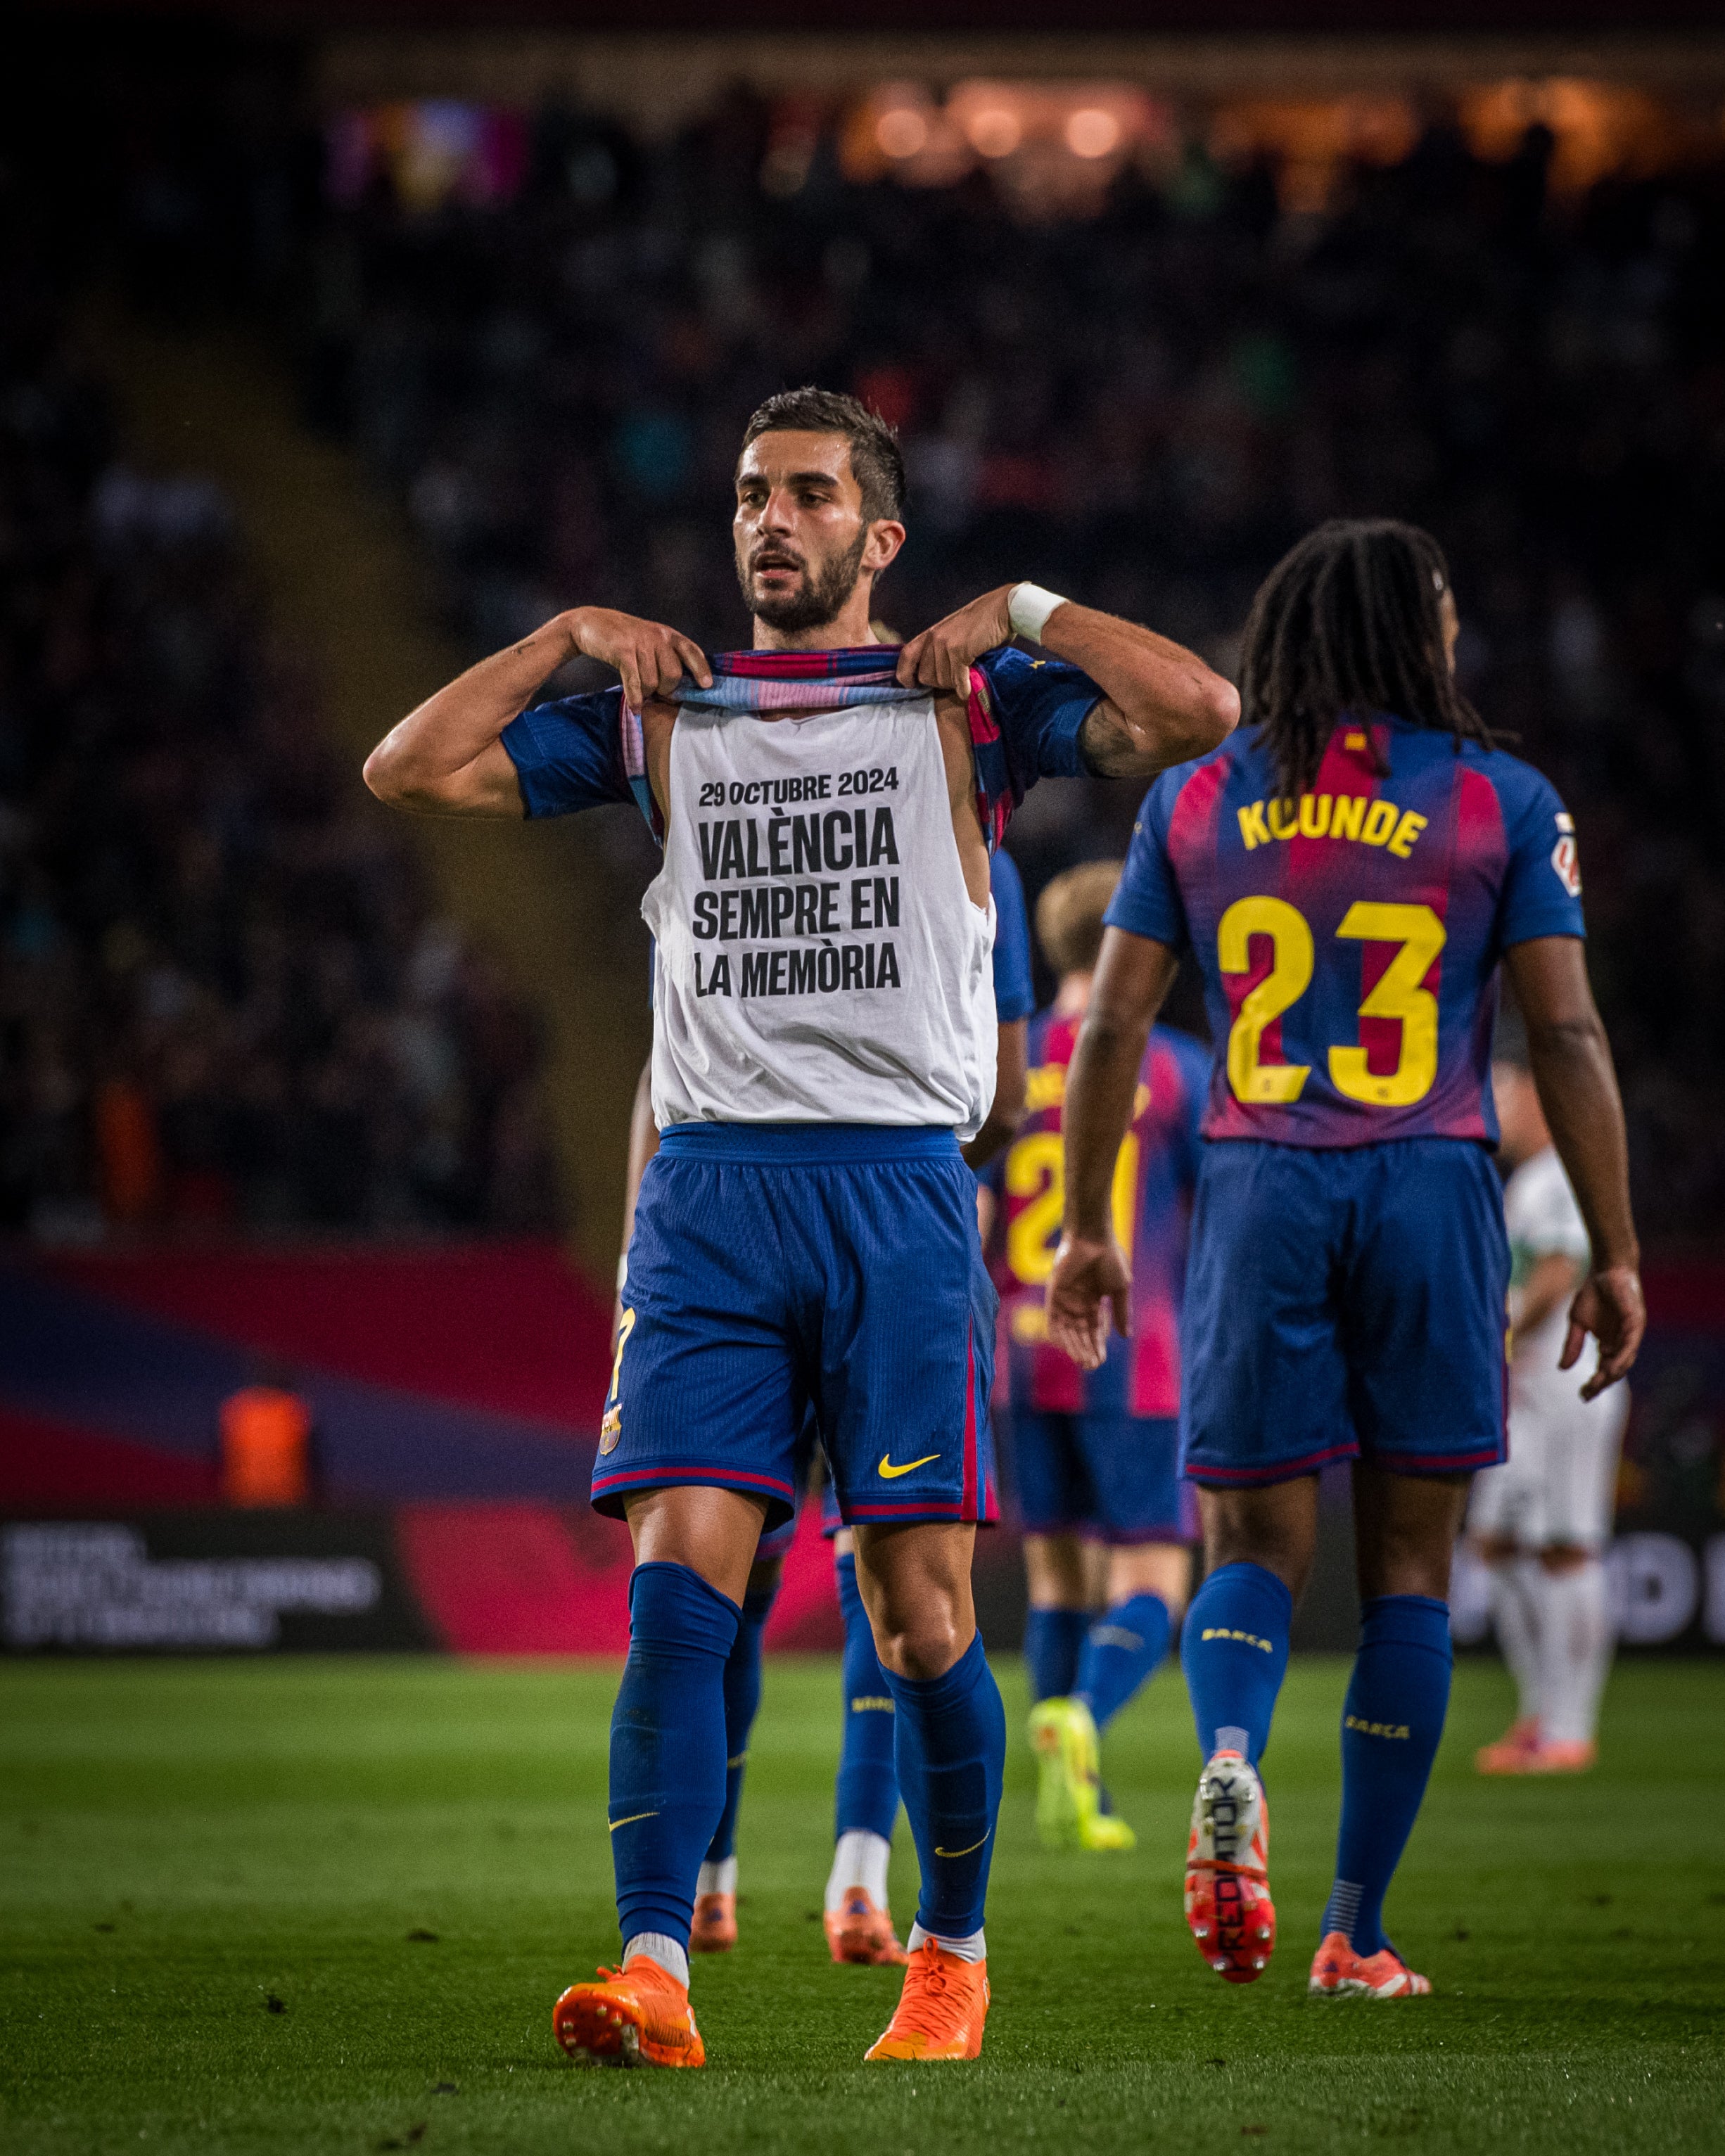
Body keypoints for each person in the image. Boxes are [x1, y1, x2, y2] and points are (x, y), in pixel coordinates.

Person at [364, 385, 1237, 2067]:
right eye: (752, 494)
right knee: (675, 1588)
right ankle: (654, 1966)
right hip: (708, 1197)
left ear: (879, 535)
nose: (771, 519)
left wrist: (1025, 608)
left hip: (896, 1192)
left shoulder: (963, 705)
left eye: (812, 494)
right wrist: (564, 633)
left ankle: (951, 1954)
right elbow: (408, 766)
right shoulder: (664, 712)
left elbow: (1198, 708)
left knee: (919, 1617)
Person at [1045, 518, 1643, 2003]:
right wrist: (1614, 1244)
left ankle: (1227, 1756)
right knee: (1408, 1573)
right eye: (1440, 611)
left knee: (1249, 1548)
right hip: (1429, 1186)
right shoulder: (1500, 799)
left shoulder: (1196, 795)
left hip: (1259, 1188)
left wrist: (1086, 1225)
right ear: (1411, 630)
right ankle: (1352, 1928)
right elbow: (1564, 1031)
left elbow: (1113, 1021)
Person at [609, 844, 1035, 1965]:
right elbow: (1007, 1093)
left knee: (840, 1601)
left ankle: (742, 1889)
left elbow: (662, 1070)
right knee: (799, 1589)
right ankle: (813, 1894)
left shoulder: (735, 819)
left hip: (809, 1222)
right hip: (803, 1224)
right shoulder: (964, 856)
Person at [986, 860, 1207, 1854]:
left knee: (1057, 1580)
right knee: (1155, 1578)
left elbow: (976, 1205)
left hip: (1023, 1355)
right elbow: (1221, 1203)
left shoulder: (1004, 1058)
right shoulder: (1174, 1068)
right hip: (1136, 1349)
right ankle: (1083, 1717)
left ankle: (1074, 1789)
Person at [1469, 1030, 1630, 1775]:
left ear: (1537, 1091)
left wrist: (1499, 1340)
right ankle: (1541, 1709)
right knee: (1496, 1543)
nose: (1495, 1107)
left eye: (1504, 1090)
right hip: (1529, 1391)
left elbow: (1559, 1272)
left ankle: (1569, 1727)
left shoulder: (1560, 1171)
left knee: (1567, 1546)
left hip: (1569, 1381)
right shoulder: (1528, 1180)